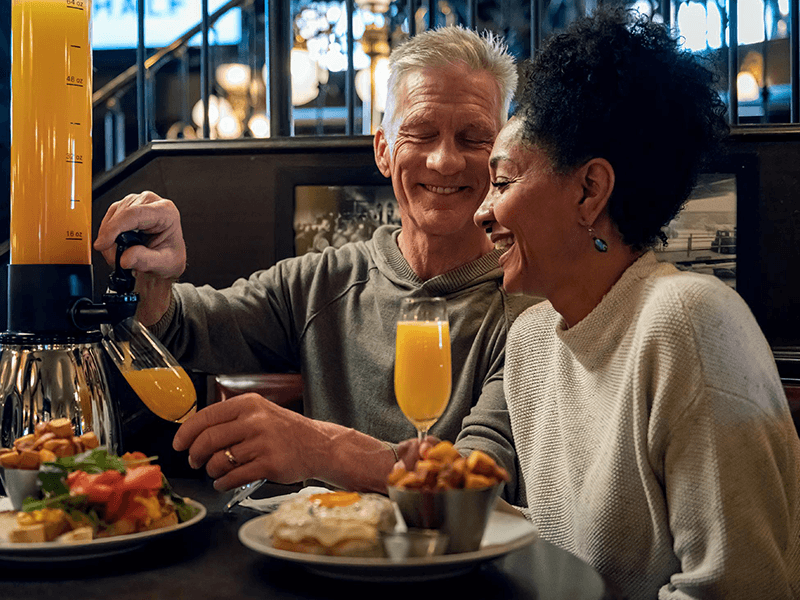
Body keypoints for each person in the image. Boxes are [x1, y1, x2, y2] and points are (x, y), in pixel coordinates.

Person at [413, 7, 798, 599]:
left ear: (589, 190)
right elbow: (555, 556)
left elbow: (738, 589)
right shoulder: (533, 340)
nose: (483, 211)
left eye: (505, 182)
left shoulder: (688, 323)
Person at [94, 26, 536, 494]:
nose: (445, 161)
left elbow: (478, 477)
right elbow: (192, 327)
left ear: (501, 159)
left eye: (472, 139)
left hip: (455, 564)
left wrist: (320, 448)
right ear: (384, 151)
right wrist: (152, 277)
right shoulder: (324, 280)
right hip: (326, 555)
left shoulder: (529, 310)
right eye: (421, 133)